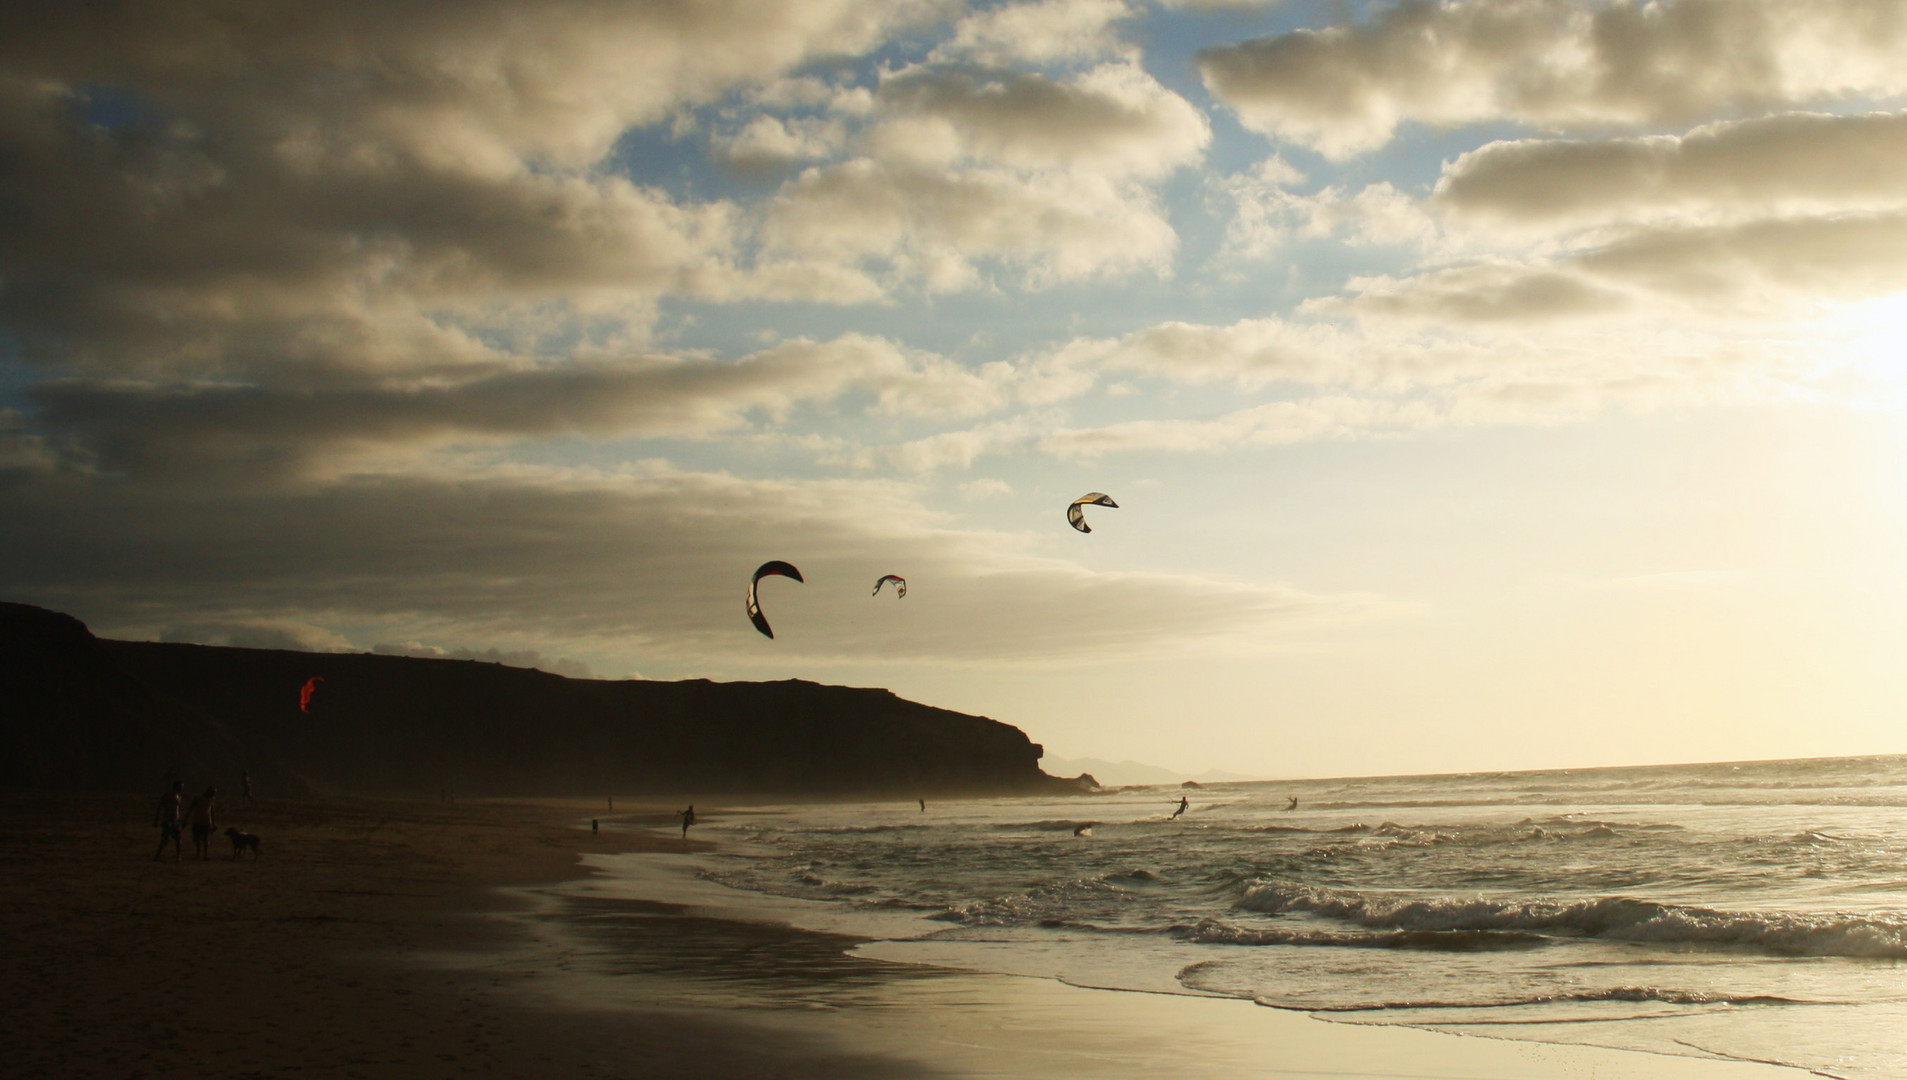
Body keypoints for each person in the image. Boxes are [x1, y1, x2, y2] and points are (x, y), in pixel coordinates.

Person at [153, 780, 185, 862]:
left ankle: (179, 857)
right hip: (168, 819)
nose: (182, 788)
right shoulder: (167, 796)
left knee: (179, 839)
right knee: (165, 839)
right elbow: (160, 807)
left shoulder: (178, 796)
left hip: (176, 819)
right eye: (181, 787)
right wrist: (156, 819)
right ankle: (157, 855)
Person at [185, 786, 217, 860]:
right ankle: (198, 854)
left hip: (207, 821)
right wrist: (186, 818)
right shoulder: (198, 798)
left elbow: (212, 811)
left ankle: (205, 855)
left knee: (206, 839)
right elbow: (190, 808)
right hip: (197, 820)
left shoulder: (211, 799)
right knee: (198, 839)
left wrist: (213, 822)